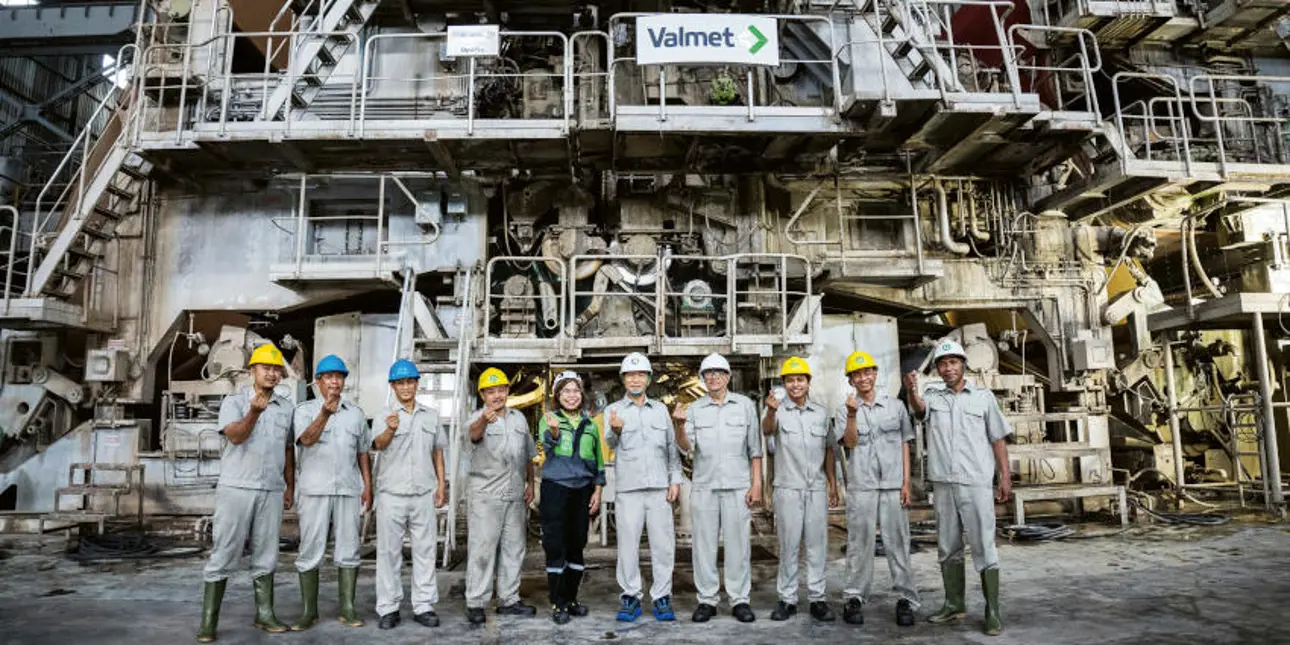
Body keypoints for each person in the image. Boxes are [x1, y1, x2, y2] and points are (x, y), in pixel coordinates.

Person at [905, 339, 1012, 636]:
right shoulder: (932, 395)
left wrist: (1005, 476)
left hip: (976, 481)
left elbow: (998, 440)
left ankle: (992, 610)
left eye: (953, 362)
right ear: (937, 369)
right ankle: (954, 603)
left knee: (983, 545)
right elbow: (919, 410)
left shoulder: (983, 397)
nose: (948, 367)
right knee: (947, 545)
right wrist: (913, 390)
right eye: (943, 363)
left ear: (963, 364)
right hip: (943, 483)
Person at [197, 343, 294, 642]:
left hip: (271, 489)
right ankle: (209, 622)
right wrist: (253, 412)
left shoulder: (286, 408)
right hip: (237, 488)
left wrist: (290, 485)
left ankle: (264, 614)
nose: (272, 374)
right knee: (225, 552)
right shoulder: (234, 402)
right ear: (252, 370)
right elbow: (236, 437)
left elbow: (288, 449)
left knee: (267, 554)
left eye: (277, 369)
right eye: (267, 368)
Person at [674, 353, 762, 623]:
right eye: (708, 373)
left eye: (719, 373)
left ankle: (739, 600)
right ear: (703, 378)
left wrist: (757, 483)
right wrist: (678, 425)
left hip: (738, 485)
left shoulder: (745, 406)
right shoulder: (695, 409)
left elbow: (754, 449)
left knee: (738, 545)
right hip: (705, 485)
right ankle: (707, 600)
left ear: (728, 377)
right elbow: (686, 448)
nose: (713, 377)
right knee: (704, 546)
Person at [836, 350, 918, 627]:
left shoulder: (895, 406)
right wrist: (851, 415)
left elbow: (906, 443)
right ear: (851, 380)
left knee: (899, 544)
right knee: (860, 545)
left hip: (894, 485)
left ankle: (906, 598)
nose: (863, 378)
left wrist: (906, 483)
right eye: (857, 374)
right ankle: (854, 597)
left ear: (875, 374)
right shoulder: (844, 408)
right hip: (862, 486)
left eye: (867, 372)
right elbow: (849, 443)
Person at [291, 354, 371, 630]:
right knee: (311, 549)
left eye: (340, 376)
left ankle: (347, 608)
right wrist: (325, 413)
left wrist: (368, 487)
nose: (335, 381)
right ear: (318, 382)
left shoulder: (356, 414)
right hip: (314, 490)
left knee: (349, 548)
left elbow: (363, 453)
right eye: (329, 376)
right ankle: (307, 611)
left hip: (348, 489)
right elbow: (307, 440)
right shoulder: (303, 411)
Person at [605, 352, 683, 623]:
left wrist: (675, 479)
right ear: (623, 379)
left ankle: (662, 596)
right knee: (627, 545)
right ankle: (630, 595)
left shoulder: (661, 410)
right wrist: (615, 430)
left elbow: (672, 448)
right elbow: (611, 445)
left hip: (660, 487)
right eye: (630, 375)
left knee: (663, 545)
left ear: (648, 379)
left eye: (640, 374)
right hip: (629, 489)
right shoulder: (613, 411)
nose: (635, 379)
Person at [372, 359, 448, 630]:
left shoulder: (430, 415)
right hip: (392, 492)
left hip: (423, 492)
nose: (406, 387)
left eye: (410, 381)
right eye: (400, 382)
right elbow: (378, 446)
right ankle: (388, 607)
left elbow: (438, 450)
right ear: (393, 386)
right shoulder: (384, 415)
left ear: (417, 384)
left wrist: (441, 485)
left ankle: (424, 605)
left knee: (425, 551)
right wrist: (390, 429)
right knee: (389, 552)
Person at [762, 356, 838, 623]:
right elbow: (766, 430)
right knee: (789, 545)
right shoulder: (776, 411)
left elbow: (829, 449)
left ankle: (818, 599)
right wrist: (770, 411)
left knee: (818, 545)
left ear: (808, 383)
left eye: (800, 380)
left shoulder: (820, 413)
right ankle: (787, 599)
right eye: (790, 380)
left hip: (816, 488)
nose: (795, 385)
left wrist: (832, 484)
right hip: (788, 488)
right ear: (784, 383)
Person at [464, 367, 539, 625]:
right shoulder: (476, 419)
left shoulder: (519, 419)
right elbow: (474, 436)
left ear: (508, 391)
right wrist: (485, 419)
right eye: (491, 391)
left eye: (501, 390)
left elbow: (528, 454)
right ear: (483, 394)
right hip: (485, 496)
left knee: (514, 548)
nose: (497, 396)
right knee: (482, 550)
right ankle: (476, 602)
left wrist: (531, 483)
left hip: (514, 494)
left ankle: (509, 599)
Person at [538, 371, 605, 624]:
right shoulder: (549, 419)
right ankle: (558, 602)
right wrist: (555, 434)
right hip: (556, 488)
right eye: (566, 391)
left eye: (575, 390)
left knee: (577, 545)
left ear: (582, 395)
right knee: (556, 545)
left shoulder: (590, 425)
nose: (571, 395)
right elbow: (548, 443)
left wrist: (598, 490)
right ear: (558, 395)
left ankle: (572, 598)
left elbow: (598, 461)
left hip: (583, 490)